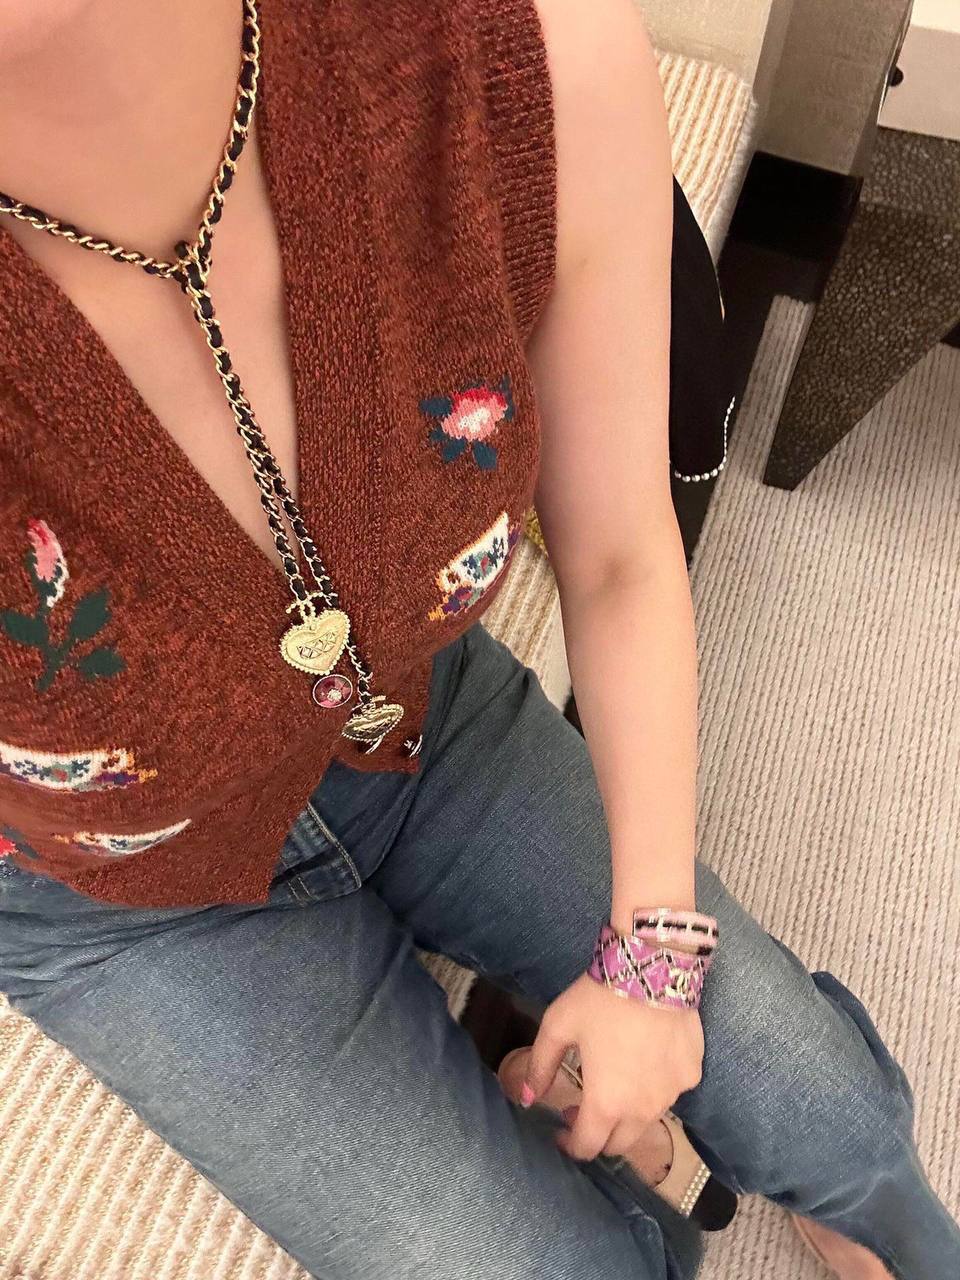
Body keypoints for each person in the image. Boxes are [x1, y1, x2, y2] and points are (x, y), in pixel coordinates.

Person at [0, 2, 955, 1277]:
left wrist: (654, 957)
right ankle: (643, 1201)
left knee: (823, 1106)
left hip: (422, 714)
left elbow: (619, 558)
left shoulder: (519, 53)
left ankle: (829, 1186)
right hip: (114, 898)